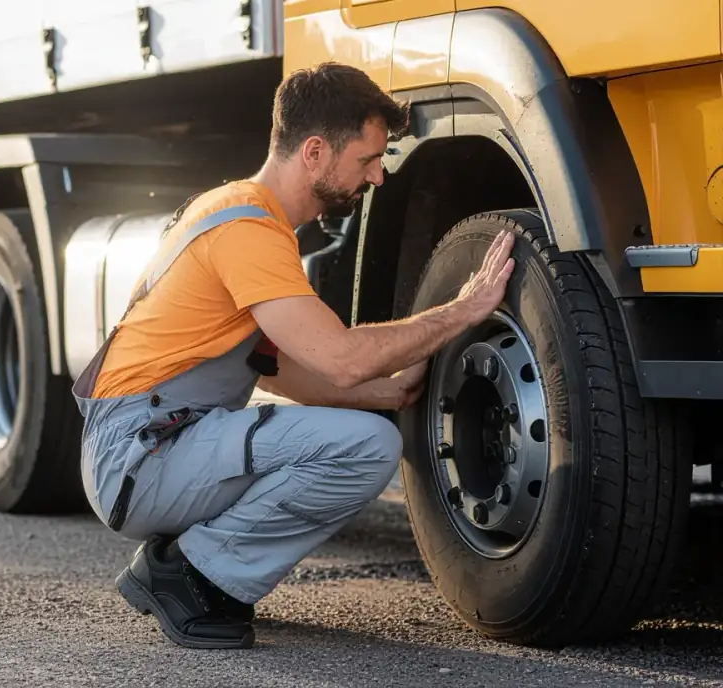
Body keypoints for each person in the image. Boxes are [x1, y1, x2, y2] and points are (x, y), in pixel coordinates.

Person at [69, 62, 516, 649]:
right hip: (141, 457)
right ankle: (191, 578)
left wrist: (393, 392)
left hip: (140, 448)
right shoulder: (248, 230)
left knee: (358, 430)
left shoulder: (227, 212)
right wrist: (461, 310)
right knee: (367, 448)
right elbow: (340, 359)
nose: (379, 177)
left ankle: (193, 565)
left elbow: (281, 373)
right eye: (367, 159)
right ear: (313, 153)